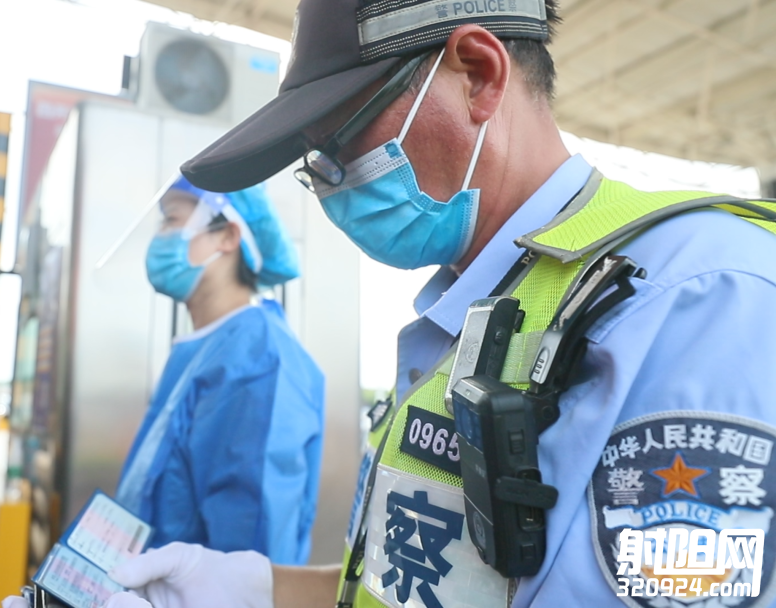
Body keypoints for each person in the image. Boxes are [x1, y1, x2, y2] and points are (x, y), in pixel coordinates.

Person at [96, 0, 776, 607]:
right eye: (315, 163)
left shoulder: (695, 296)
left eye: (341, 140)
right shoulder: (475, 308)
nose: (331, 184)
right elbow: (437, 584)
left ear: (478, 74)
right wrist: (266, 592)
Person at [116, 176, 325, 566]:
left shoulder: (257, 359)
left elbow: (249, 559)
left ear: (228, 236)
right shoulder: (202, 349)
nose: (160, 237)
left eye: (171, 220)